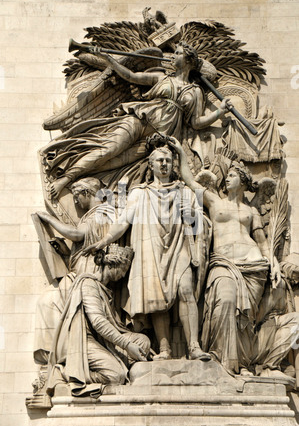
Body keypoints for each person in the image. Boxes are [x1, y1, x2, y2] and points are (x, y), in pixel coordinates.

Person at [41, 41, 231, 199]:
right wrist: (109, 60)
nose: (173, 56)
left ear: (189, 60)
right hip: (140, 119)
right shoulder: (161, 77)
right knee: (108, 149)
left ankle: (80, 178)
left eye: (178, 54)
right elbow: (131, 76)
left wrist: (218, 113)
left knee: (115, 162)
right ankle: (64, 179)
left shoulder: (196, 92)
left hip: (157, 139)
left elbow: (196, 122)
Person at [83, 140, 211, 361]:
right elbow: (123, 220)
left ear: (174, 165)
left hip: (179, 246)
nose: (164, 164)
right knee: (156, 299)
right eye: (159, 160)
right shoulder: (139, 193)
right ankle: (165, 350)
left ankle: (194, 346)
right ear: (150, 165)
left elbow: (202, 225)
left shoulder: (187, 192)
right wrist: (104, 241)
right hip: (151, 248)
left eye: (168, 161)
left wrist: (190, 212)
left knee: (186, 290)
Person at [168, 136, 282, 375]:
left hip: (253, 266)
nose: (226, 179)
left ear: (242, 181)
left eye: (231, 176)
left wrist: (274, 263)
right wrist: (179, 152)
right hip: (223, 263)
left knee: (245, 317)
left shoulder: (251, 211)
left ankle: (241, 362)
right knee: (226, 301)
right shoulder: (214, 201)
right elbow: (189, 180)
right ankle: (223, 361)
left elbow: (262, 242)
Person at [46, 244, 151, 397]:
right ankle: (66, 374)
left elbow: (114, 325)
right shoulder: (89, 284)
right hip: (84, 341)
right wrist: (127, 345)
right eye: (123, 270)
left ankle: (117, 362)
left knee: (143, 341)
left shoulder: (105, 289)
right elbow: (99, 322)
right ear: (112, 264)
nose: (123, 275)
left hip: (102, 341)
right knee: (115, 375)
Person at [34, 177, 115, 366]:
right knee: (47, 302)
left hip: (88, 278)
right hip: (80, 275)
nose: (76, 202)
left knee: (48, 302)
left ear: (87, 193)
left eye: (77, 196)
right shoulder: (91, 215)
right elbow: (82, 243)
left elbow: (78, 235)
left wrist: (49, 219)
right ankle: (57, 354)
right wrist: (65, 251)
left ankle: (57, 356)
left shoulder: (102, 211)